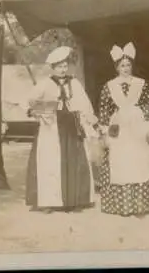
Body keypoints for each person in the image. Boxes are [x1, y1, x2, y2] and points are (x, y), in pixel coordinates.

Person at [23, 46, 97, 213]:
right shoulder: (45, 84)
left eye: (65, 66)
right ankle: (49, 201)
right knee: (50, 162)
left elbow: (84, 104)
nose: (63, 69)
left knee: (75, 160)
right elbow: (29, 101)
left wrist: (90, 122)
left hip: (72, 127)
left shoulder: (75, 83)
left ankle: (76, 199)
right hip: (52, 128)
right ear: (53, 67)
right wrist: (39, 111)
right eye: (59, 66)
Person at [98, 42, 149, 217]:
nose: (125, 68)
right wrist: (105, 132)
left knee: (142, 160)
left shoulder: (142, 84)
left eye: (128, 65)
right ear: (116, 68)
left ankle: (141, 205)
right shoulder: (109, 86)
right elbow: (105, 110)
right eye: (121, 65)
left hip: (138, 125)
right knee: (120, 160)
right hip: (118, 126)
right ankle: (123, 206)